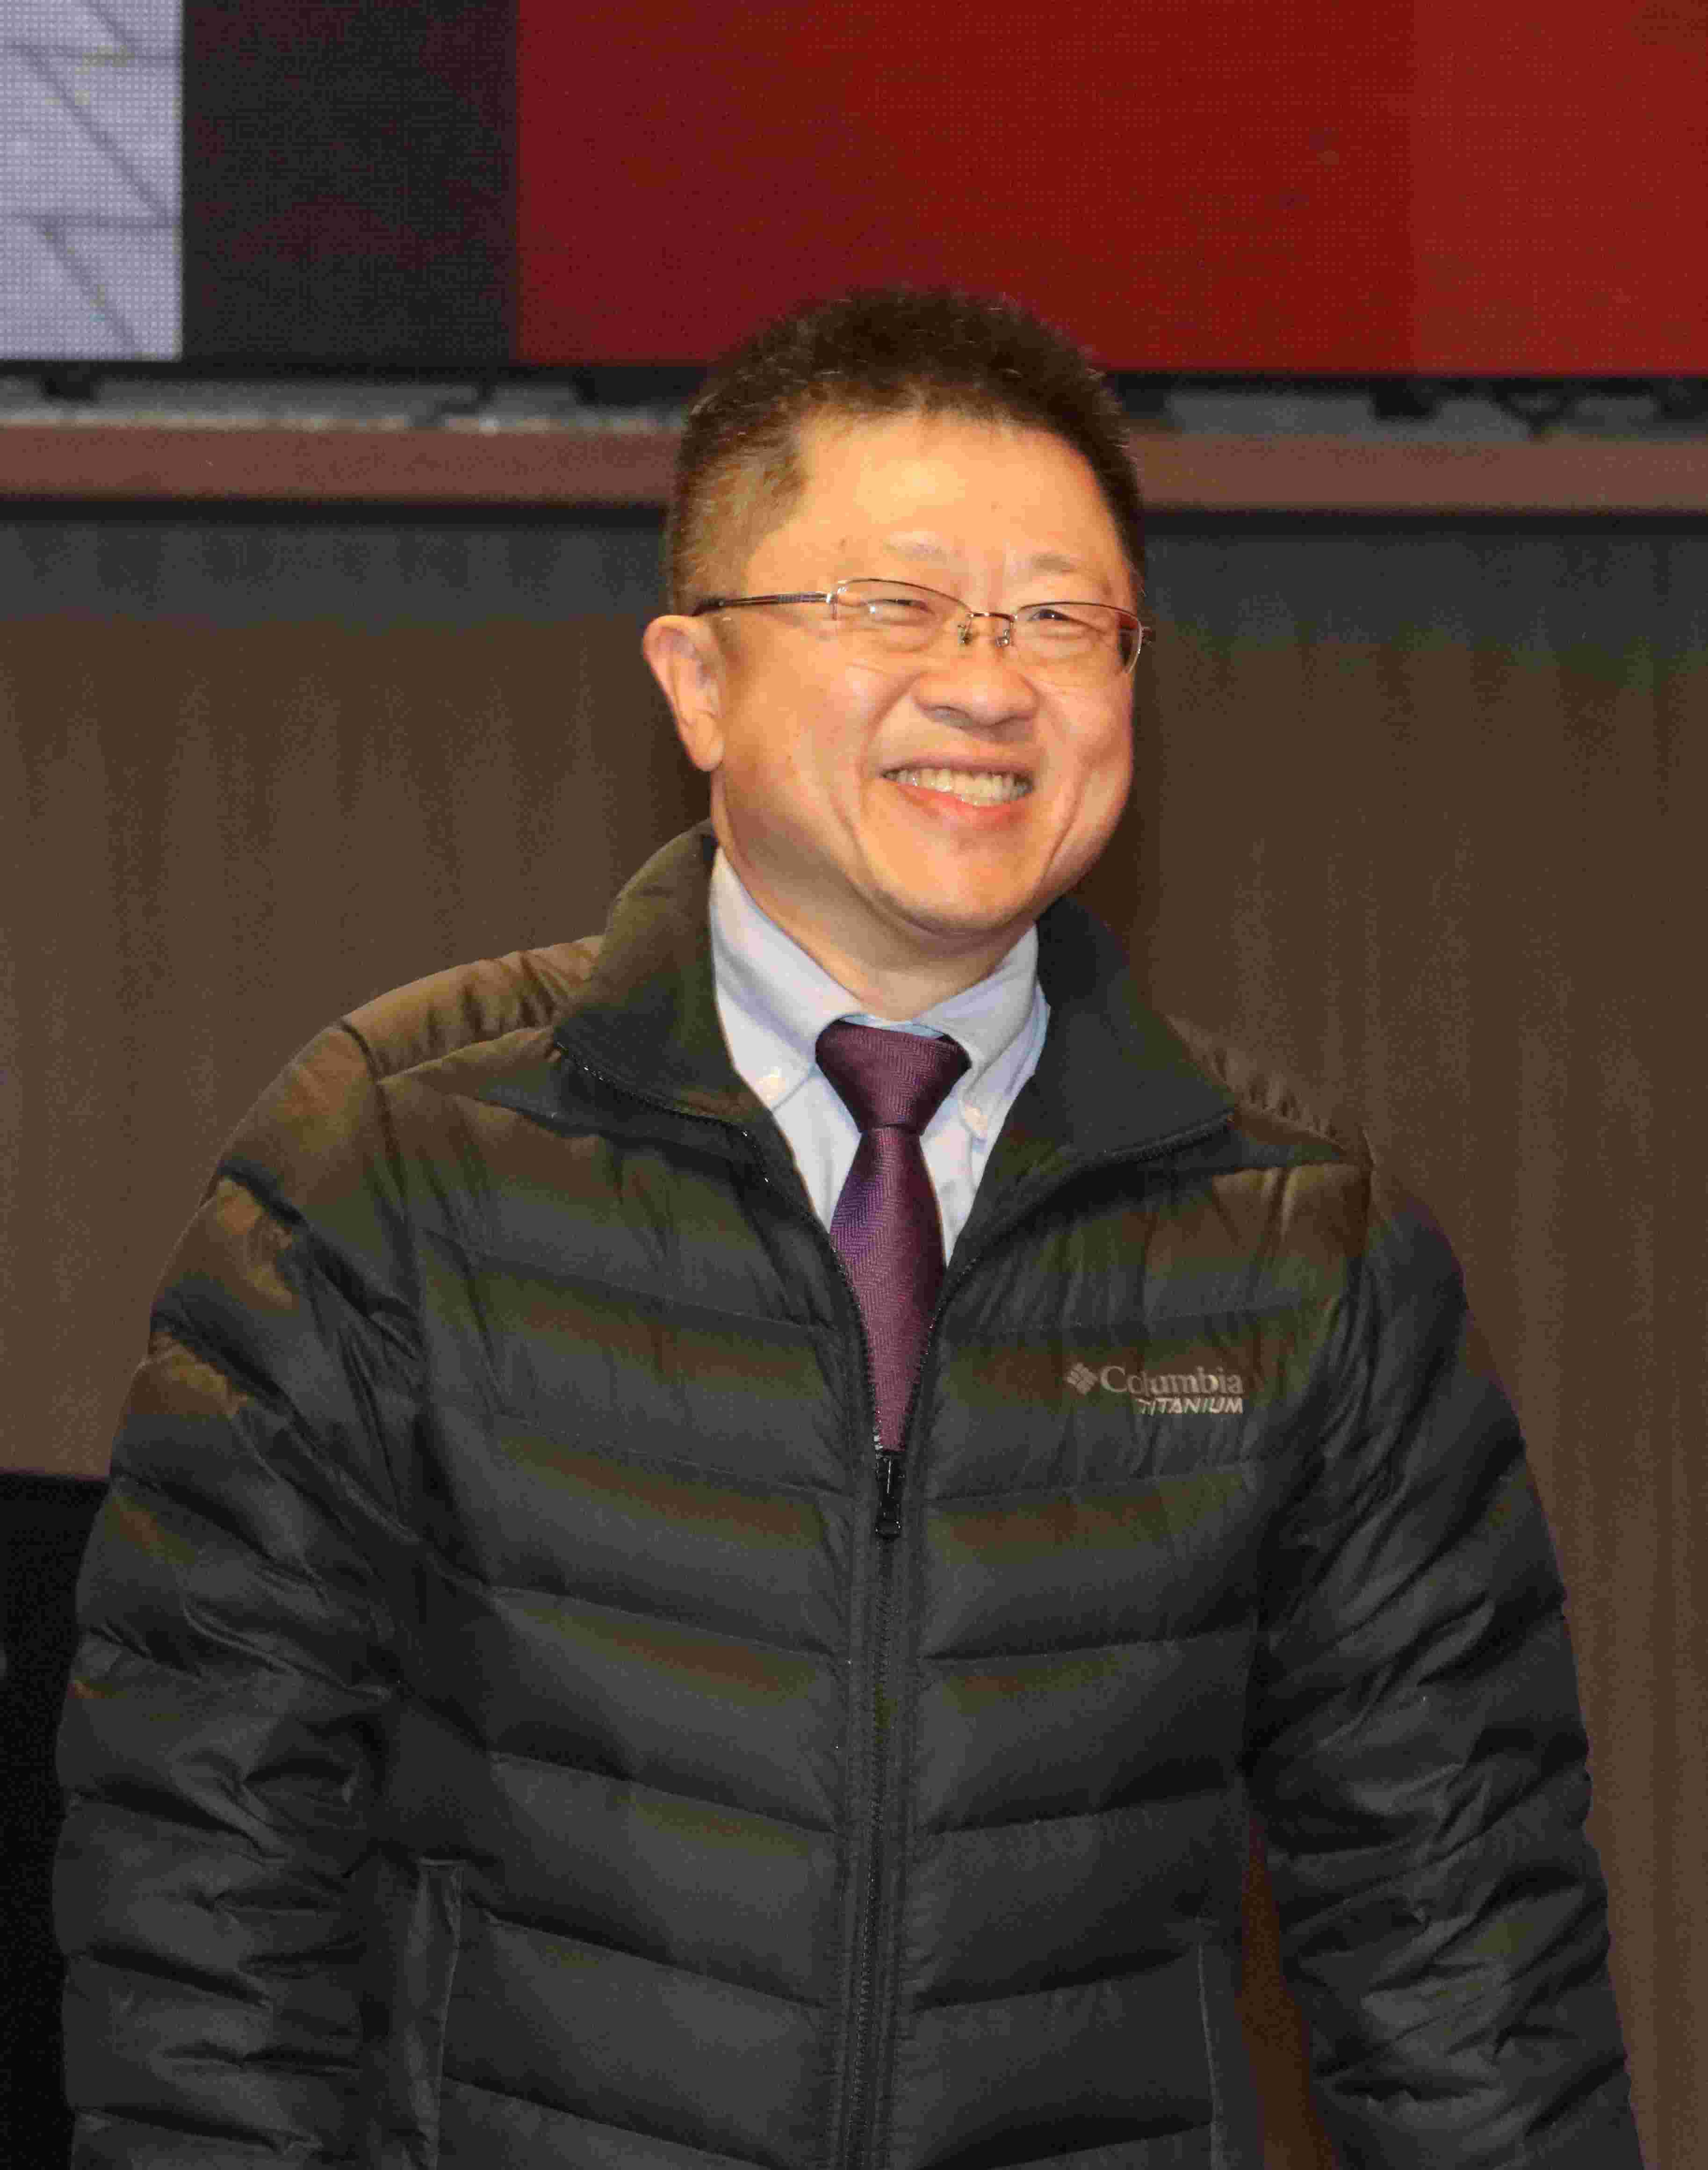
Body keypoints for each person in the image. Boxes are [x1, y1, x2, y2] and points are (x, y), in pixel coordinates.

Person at [56, 288, 1641, 2170]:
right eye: (896, 606)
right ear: (695, 679)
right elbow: (203, 1893)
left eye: (1058, 620)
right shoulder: (395, 1158)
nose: (986, 684)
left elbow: (1464, 1961)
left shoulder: (1300, 1245)